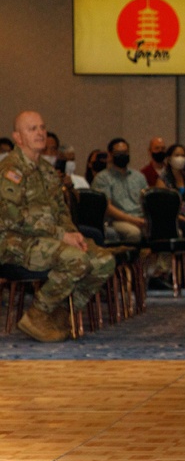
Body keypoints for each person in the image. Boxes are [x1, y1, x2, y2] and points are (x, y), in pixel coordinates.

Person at [0, 111, 115, 342]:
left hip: (48, 240)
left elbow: (61, 211)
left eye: (42, 127)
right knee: (76, 259)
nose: (40, 133)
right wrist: (62, 235)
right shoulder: (10, 170)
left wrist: (72, 233)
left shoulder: (46, 170)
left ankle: (60, 311)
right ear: (17, 137)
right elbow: (13, 218)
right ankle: (38, 313)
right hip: (14, 243)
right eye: (32, 129)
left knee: (103, 260)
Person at [91, 137, 147, 243]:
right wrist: (133, 220)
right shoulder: (103, 178)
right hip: (117, 220)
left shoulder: (139, 177)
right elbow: (107, 207)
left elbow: (147, 201)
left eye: (125, 152)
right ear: (110, 155)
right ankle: (130, 260)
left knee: (164, 230)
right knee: (134, 233)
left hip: (140, 217)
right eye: (118, 153)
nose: (122, 156)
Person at [155, 143, 185, 238]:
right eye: (177, 155)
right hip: (172, 218)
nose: (180, 158)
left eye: (183, 156)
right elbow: (165, 209)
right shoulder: (162, 180)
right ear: (169, 159)